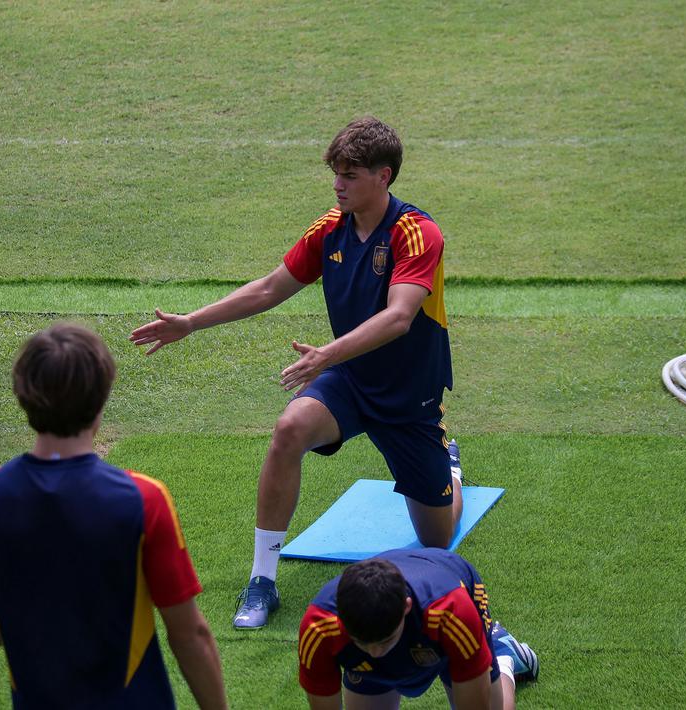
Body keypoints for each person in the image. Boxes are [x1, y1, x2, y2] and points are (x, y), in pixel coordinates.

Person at [130, 116, 461, 629]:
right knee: (289, 430)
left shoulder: (417, 234)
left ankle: (450, 468)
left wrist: (326, 355)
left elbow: (399, 317)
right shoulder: (329, 229)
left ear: (384, 176)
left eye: (350, 174)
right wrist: (190, 323)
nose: (338, 184)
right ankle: (263, 579)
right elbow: (268, 289)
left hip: (408, 396)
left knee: (436, 539)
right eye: (335, 172)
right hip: (351, 379)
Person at [0, 323, 226, 709]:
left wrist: (35, 626)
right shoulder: (143, 499)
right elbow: (190, 634)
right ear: (102, 396)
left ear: (22, 394)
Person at [297, 549, 538, 709]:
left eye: (385, 640)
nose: (376, 653)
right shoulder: (320, 628)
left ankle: (503, 655)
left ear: (406, 607)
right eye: (362, 642)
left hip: (446, 602)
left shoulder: (451, 611)